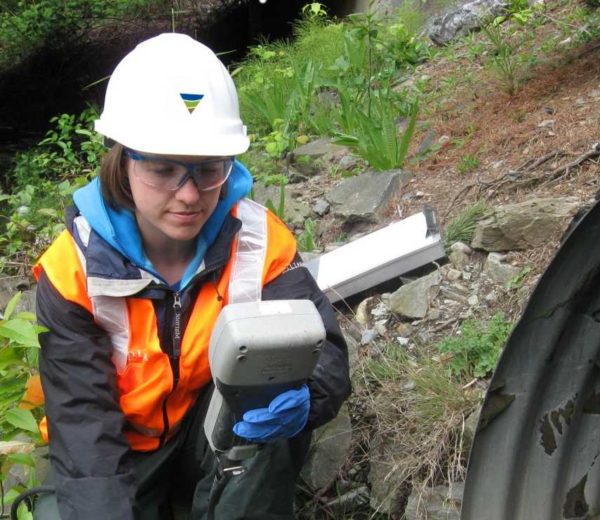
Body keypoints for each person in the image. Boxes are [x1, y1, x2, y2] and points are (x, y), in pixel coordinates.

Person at [32, 33, 351, 520]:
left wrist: (305, 399)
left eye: (208, 170)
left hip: (215, 438)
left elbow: (323, 350)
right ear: (123, 162)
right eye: (163, 170)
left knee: (269, 411)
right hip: (121, 449)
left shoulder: (258, 241)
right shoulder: (71, 270)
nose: (189, 195)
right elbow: (84, 427)